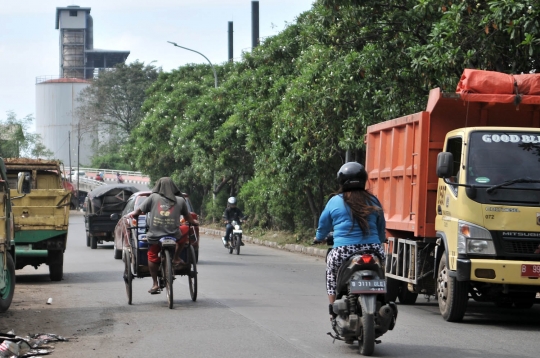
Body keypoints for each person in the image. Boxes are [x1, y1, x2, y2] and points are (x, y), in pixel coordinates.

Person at [313, 162, 386, 312]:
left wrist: (319, 237)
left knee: (331, 273)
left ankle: (333, 309)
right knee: (381, 271)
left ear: (341, 181)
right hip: (373, 249)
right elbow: (381, 226)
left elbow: (323, 226)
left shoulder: (334, 201)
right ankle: (382, 300)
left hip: (344, 250)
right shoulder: (373, 200)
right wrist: (379, 239)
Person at [128, 177, 199, 294]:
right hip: (174, 235)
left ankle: (155, 284)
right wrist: (194, 222)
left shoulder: (153, 198)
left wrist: (134, 215)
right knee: (185, 230)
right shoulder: (180, 200)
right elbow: (188, 218)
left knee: (151, 255)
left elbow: (137, 212)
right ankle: (176, 257)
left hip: (155, 235)